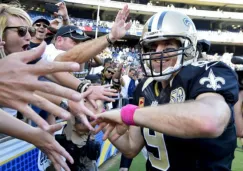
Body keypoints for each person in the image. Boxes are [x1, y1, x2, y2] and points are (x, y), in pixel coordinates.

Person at [95, 10, 239, 171]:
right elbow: (131, 148)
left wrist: (130, 114)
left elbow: (210, 121)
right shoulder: (144, 87)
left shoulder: (208, 71)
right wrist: (105, 121)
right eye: (152, 45)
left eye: (168, 45)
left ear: (188, 47)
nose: (157, 53)